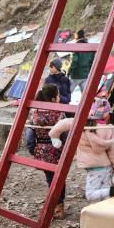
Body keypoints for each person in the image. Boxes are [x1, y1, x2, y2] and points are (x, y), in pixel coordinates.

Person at [51, 98, 114, 203]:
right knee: (104, 198)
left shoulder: (81, 125)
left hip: (95, 169)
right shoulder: (108, 130)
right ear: (107, 115)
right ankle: (107, 213)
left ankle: (113, 191)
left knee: (90, 195)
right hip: (107, 168)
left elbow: (62, 124)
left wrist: (55, 137)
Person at [25, 84, 67, 218]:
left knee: (50, 177)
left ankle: (55, 202)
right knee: (59, 177)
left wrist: (33, 149)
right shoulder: (59, 114)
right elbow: (65, 134)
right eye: (58, 95)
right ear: (54, 99)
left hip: (42, 149)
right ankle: (58, 205)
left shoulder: (35, 113)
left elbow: (29, 136)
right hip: (57, 148)